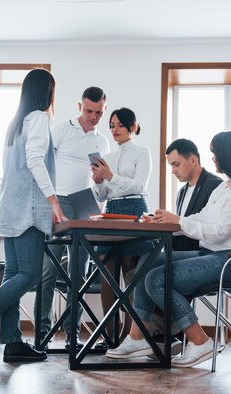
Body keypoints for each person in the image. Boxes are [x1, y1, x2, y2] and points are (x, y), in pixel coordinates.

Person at [106, 130, 231, 368]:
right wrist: (168, 222)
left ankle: (199, 340)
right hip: (212, 254)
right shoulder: (225, 188)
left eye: (215, 153)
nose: (212, 158)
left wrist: (178, 222)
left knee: (156, 279)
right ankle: (138, 338)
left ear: (230, 155)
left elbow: (220, 231)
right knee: (149, 260)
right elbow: (202, 218)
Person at [0, 68, 67, 363]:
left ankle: (13, 341)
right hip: (28, 209)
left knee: (13, 274)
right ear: (47, 92)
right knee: (28, 275)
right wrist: (54, 202)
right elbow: (34, 161)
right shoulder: (40, 119)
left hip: (9, 207)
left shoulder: (15, 124)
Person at [126, 138, 223, 355]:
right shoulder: (181, 192)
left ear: (194, 160)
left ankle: (160, 336)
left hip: (201, 255)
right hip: (180, 250)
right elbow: (181, 223)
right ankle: (153, 336)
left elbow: (205, 226)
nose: (173, 171)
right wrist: (160, 222)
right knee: (139, 268)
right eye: (171, 165)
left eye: (176, 164)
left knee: (151, 273)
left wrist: (173, 224)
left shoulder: (214, 186)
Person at [34, 87, 110, 349]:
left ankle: (73, 335)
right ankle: (42, 335)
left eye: (98, 112)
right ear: (80, 106)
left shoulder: (103, 141)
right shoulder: (60, 129)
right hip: (59, 198)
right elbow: (42, 165)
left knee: (79, 272)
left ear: (104, 109)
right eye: (88, 111)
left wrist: (101, 182)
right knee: (48, 269)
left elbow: (101, 185)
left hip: (86, 202)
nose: (93, 116)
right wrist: (49, 200)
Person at [90, 107, 153, 343]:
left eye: (119, 125)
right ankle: (109, 335)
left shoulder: (142, 152)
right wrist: (98, 181)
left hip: (135, 208)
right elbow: (103, 195)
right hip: (112, 210)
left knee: (131, 275)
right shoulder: (109, 156)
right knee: (107, 273)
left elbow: (138, 185)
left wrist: (110, 176)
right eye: (112, 125)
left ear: (133, 127)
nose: (114, 129)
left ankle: (131, 337)